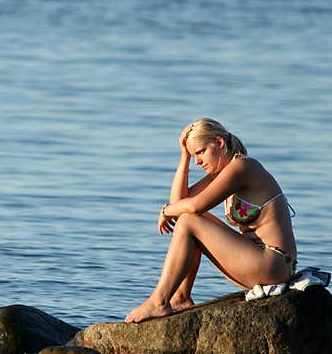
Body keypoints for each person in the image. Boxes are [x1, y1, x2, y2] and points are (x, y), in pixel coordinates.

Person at [125, 118, 297, 323]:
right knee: (188, 220)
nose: (197, 161)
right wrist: (184, 158)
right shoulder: (223, 172)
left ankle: (159, 301)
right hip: (257, 260)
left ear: (219, 142)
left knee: (190, 220)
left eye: (200, 152)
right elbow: (181, 202)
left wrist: (165, 211)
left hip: (274, 263)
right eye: (193, 155)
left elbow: (194, 206)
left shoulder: (243, 168)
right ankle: (180, 298)